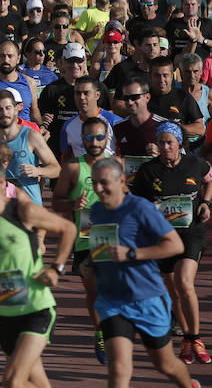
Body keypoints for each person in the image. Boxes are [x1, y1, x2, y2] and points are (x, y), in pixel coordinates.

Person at [0, 154, 76, 388]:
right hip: (3, 313)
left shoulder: (23, 211)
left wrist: (56, 269)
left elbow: (68, 228)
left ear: (0, 183)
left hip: (36, 308)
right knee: (34, 379)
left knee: (12, 380)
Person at [87, 158, 201, 388]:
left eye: (104, 183)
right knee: (119, 369)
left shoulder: (141, 208)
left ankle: (190, 386)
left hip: (147, 298)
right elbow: (101, 249)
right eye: (95, 183)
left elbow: (175, 245)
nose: (98, 189)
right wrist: (90, 263)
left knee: (165, 365)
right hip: (113, 301)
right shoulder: (96, 210)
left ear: (121, 181)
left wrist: (132, 254)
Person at [132, 122, 212, 365]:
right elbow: (137, 204)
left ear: (179, 143)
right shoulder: (148, 171)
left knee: (184, 282)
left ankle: (196, 338)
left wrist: (206, 203)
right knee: (173, 291)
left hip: (191, 233)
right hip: (164, 238)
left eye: (170, 142)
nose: (165, 147)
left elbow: (210, 180)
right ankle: (187, 339)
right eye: (161, 142)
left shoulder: (195, 164)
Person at [53, 118, 121, 365]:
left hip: (112, 237)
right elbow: (56, 202)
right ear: (82, 139)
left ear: (107, 138)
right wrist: (72, 205)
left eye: (100, 137)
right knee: (94, 291)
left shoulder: (117, 165)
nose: (95, 142)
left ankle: (112, 331)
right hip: (85, 240)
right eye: (90, 137)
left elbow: (129, 199)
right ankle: (101, 332)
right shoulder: (73, 168)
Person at [0, 90, 60, 204]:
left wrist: (37, 171)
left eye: (8, 108)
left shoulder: (31, 135)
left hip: (29, 206)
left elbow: (56, 169)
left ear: (16, 109)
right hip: (0, 206)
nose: (4, 113)